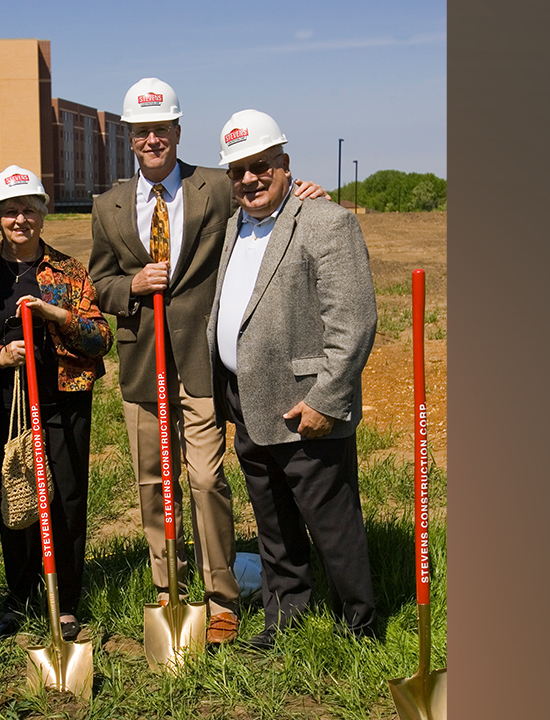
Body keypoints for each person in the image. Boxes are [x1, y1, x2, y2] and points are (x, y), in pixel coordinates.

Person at [88, 78, 329, 649]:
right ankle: (168, 589)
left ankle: (221, 599)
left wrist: (305, 195)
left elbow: (265, 193)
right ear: (131, 138)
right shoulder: (108, 205)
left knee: (205, 478)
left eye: (161, 129)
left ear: (177, 130)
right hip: (143, 366)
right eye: (141, 131)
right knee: (152, 483)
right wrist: (130, 285)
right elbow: (98, 282)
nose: (153, 140)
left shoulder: (216, 187)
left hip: (200, 362)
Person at [208, 110, 379, 651]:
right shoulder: (235, 225)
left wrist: (326, 399)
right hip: (247, 400)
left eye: (260, 167)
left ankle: (361, 626)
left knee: (332, 522)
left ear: (284, 165)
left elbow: (353, 321)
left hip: (306, 404)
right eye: (238, 172)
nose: (249, 180)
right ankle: (286, 615)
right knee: (273, 521)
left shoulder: (326, 222)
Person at [0, 166, 113, 642]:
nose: (20, 219)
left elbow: (100, 338)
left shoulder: (69, 271)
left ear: (42, 214)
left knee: (66, 497)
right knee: (15, 496)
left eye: (29, 210)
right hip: (7, 400)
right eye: (10, 211)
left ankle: (66, 599)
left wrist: (58, 315)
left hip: (64, 398)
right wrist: (0, 353)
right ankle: (21, 596)